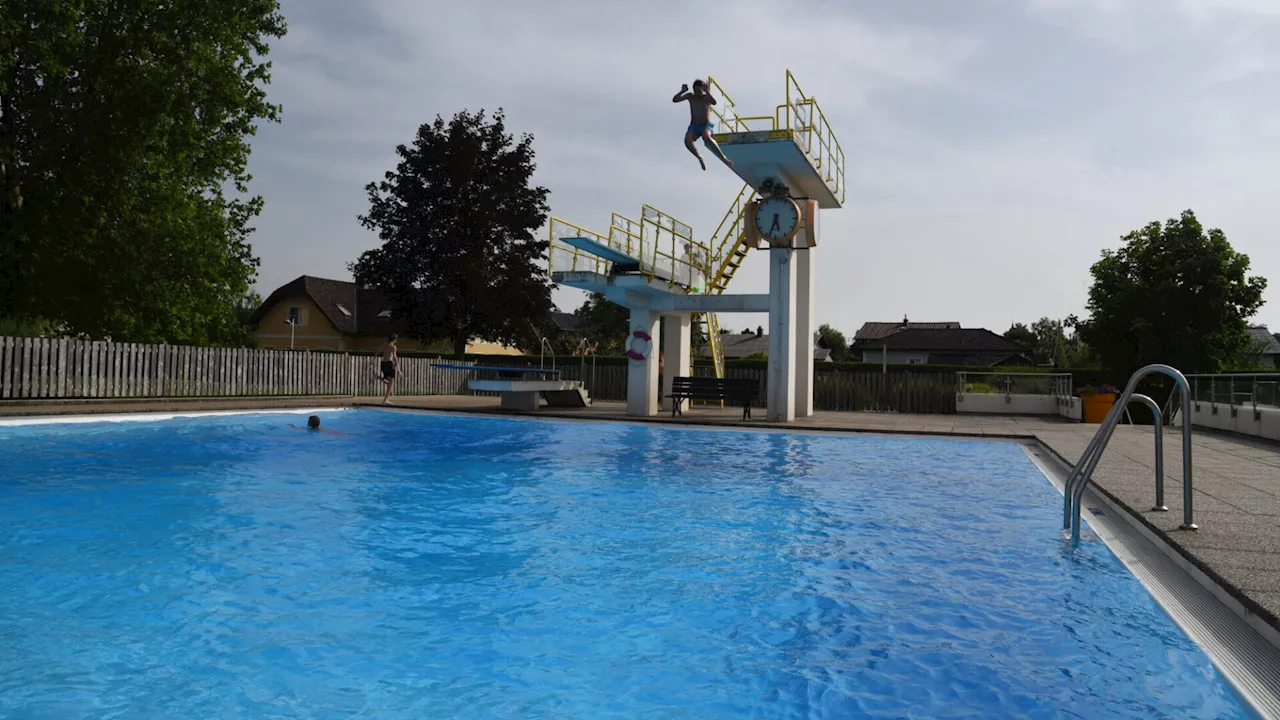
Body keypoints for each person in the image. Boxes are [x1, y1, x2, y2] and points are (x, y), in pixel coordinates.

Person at [672, 79, 734, 172]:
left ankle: (724, 158)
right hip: (694, 125)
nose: (698, 93)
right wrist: (682, 91)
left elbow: (714, 102)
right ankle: (700, 157)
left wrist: (707, 92)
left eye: (700, 91)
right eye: (696, 91)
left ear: (703, 90)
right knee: (687, 140)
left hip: (705, 125)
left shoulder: (706, 97)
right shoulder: (690, 96)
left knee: (706, 137)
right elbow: (675, 100)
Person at [376, 333, 399, 404]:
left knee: (389, 383)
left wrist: (373, 360)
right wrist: (398, 368)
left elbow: (378, 351)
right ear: (394, 340)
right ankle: (385, 400)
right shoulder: (393, 347)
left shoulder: (384, 344)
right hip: (389, 364)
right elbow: (395, 357)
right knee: (391, 383)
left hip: (383, 364)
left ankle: (377, 377)